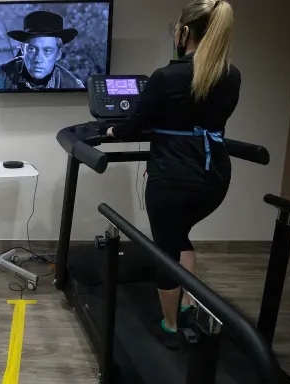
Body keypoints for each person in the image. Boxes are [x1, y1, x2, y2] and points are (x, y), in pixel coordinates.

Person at [107, 0, 238, 349]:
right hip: (214, 178)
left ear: (184, 32)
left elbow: (136, 123)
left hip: (171, 178)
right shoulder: (231, 74)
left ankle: (169, 325)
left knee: (165, 248)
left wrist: (111, 133)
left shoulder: (167, 76)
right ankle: (187, 303)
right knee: (181, 236)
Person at [0, 10, 85, 90]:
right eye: (32, 49)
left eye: (47, 51)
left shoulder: (74, 84)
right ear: (23, 49)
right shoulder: (0, 76)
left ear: (58, 54)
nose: (38, 59)